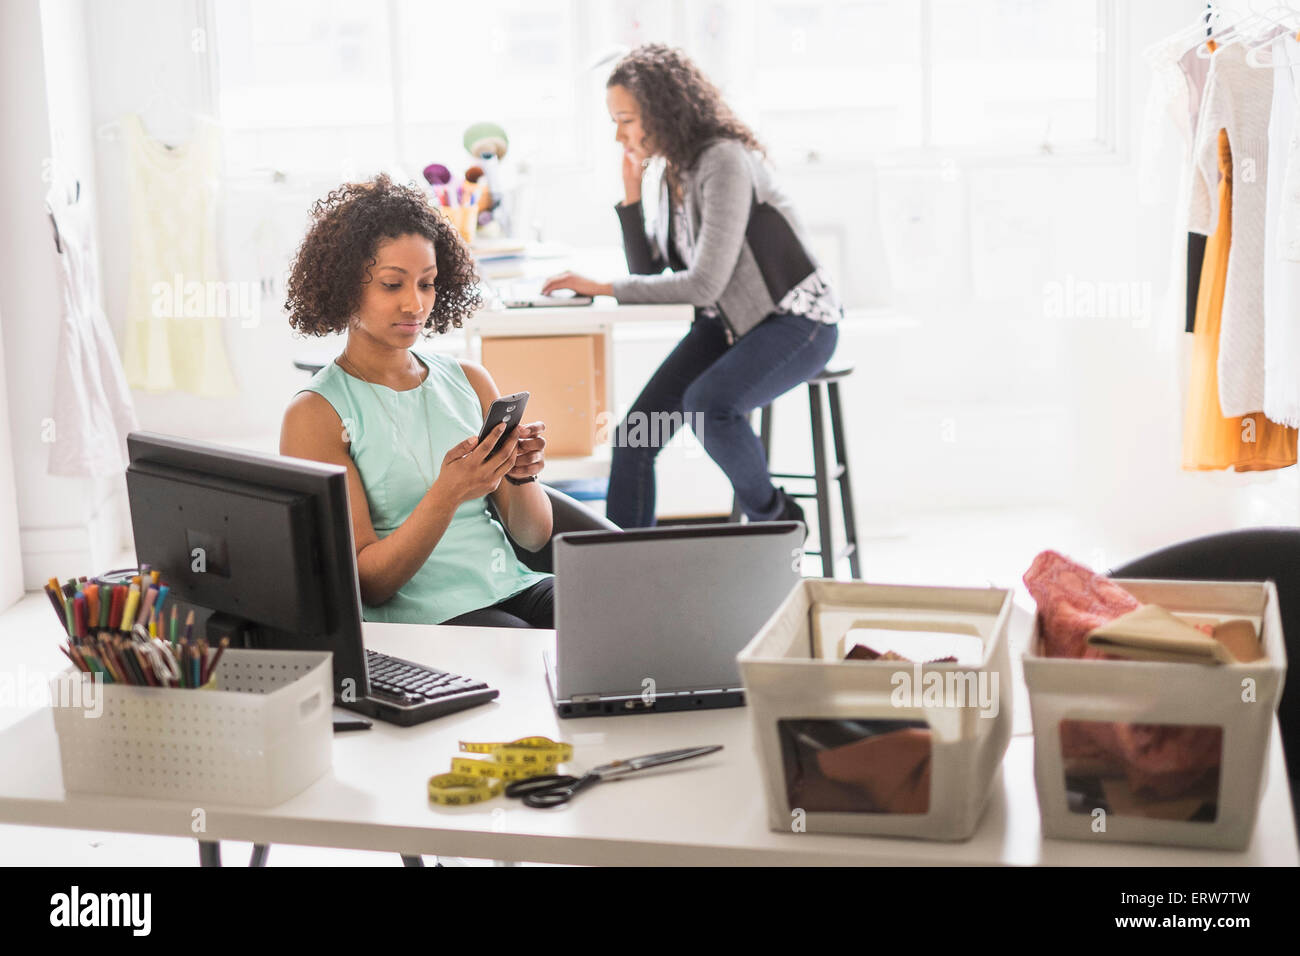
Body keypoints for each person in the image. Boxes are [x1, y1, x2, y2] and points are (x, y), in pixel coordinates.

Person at [542, 43, 841, 530]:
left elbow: (703, 284)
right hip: (730, 326)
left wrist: (603, 286)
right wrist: (632, 195)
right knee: (634, 438)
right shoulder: (672, 172)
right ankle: (621, 573)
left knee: (709, 405)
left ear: (662, 111)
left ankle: (779, 520)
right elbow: (651, 268)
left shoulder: (722, 160)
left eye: (625, 119)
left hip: (797, 322)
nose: (618, 133)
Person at [280, 174, 555, 628]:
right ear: (345, 288)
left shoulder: (469, 379)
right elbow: (367, 583)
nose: (415, 304)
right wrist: (447, 494)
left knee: (608, 610)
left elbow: (532, 536)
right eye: (392, 285)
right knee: (528, 650)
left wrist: (523, 478)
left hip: (512, 585)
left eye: (426, 284)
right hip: (423, 615)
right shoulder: (314, 414)